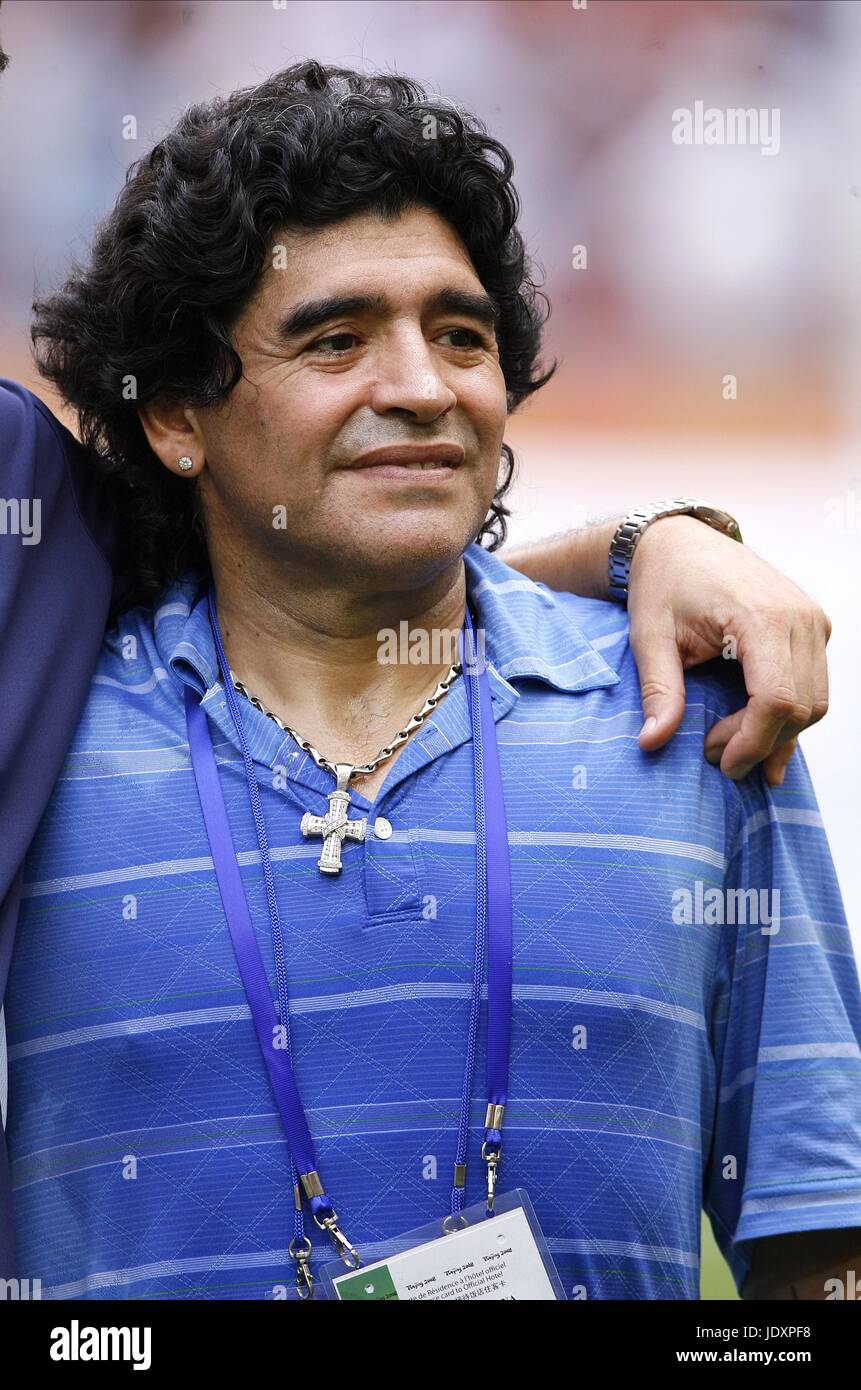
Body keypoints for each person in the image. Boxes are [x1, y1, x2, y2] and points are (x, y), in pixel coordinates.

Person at [2, 61, 856, 1301]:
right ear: (178, 415)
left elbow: (820, 1253)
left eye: (462, 336)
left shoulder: (696, 712)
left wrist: (648, 540)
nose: (421, 386)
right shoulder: (47, 723)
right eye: (336, 339)